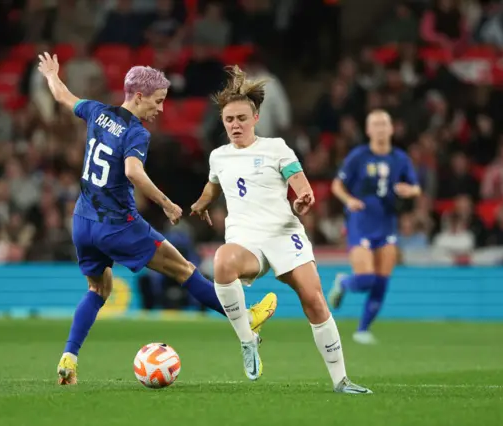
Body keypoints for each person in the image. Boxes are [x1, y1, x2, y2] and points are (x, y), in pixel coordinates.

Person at [36, 53, 277, 385]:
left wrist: (51, 74)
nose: (161, 109)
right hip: (118, 224)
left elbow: (63, 96)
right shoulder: (136, 133)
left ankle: (69, 357)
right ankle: (245, 317)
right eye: (158, 101)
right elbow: (133, 171)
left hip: (82, 222)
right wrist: (165, 203)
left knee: (96, 289)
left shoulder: (97, 111)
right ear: (138, 96)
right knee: (184, 269)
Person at [190, 65, 371, 394]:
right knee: (221, 262)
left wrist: (303, 199)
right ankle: (248, 340)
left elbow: (300, 184)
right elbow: (213, 186)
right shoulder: (219, 156)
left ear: (255, 117)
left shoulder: (276, 148)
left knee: (314, 300)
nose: (235, 125)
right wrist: (201, 204)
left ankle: (341, 380)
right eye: (229, 120)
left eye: (241, 118)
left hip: (284, 233)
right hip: (246, 239)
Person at [329, 110, 421, 345]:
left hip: (387, 223)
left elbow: (416, 187)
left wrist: (409, 191)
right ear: (368, 130)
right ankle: (344, 282)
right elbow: (337, 185)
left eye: (384, 124)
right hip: (361, 223)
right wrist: (349, 200)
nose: (380, 128)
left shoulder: (400, 158)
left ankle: (362, 330)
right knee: (367, 279)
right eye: (375, 124)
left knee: (381, 282)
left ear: (391, 129)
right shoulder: (358, 156)